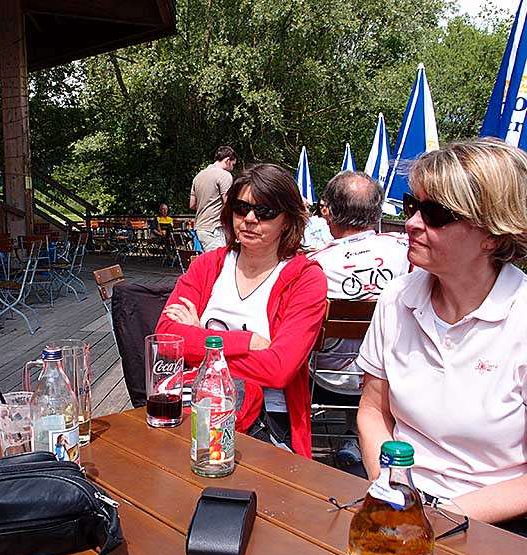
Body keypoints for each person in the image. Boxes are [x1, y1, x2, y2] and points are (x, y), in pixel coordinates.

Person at [356, 138, 527, 530]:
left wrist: (441, 515)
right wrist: (390, 491)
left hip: (495, 523)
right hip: (398, 502)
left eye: (435, 214)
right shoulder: (398, 297)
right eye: (411, 206)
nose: (412, 223)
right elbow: (373, 409)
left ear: (492, 235)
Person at [157, 163, 327, 458]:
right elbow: (166, 338)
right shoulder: (207, 265)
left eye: (264, 212)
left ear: (287, 220)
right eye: (241, 208)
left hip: (267, 421)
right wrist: (247, 342)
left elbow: (279, 370)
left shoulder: (305, 278)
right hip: (195, 405)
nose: (249, 219)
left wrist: (198, 337)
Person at [307, 172, 409, 469]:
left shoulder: (315, 264)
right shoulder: (406, 253)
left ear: (329, 213)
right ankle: (356, 435)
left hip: (326, 379)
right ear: (377, 211)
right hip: (390, 378)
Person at [190, 146, 237, 251]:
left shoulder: (198, 176)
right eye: (233, 164)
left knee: (210, 259)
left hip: (200, 228)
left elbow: (192, 205)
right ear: (227, 160)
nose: (233, 168)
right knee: (221, 259)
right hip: (215, 228)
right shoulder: (224, 175)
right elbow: (228, 203)